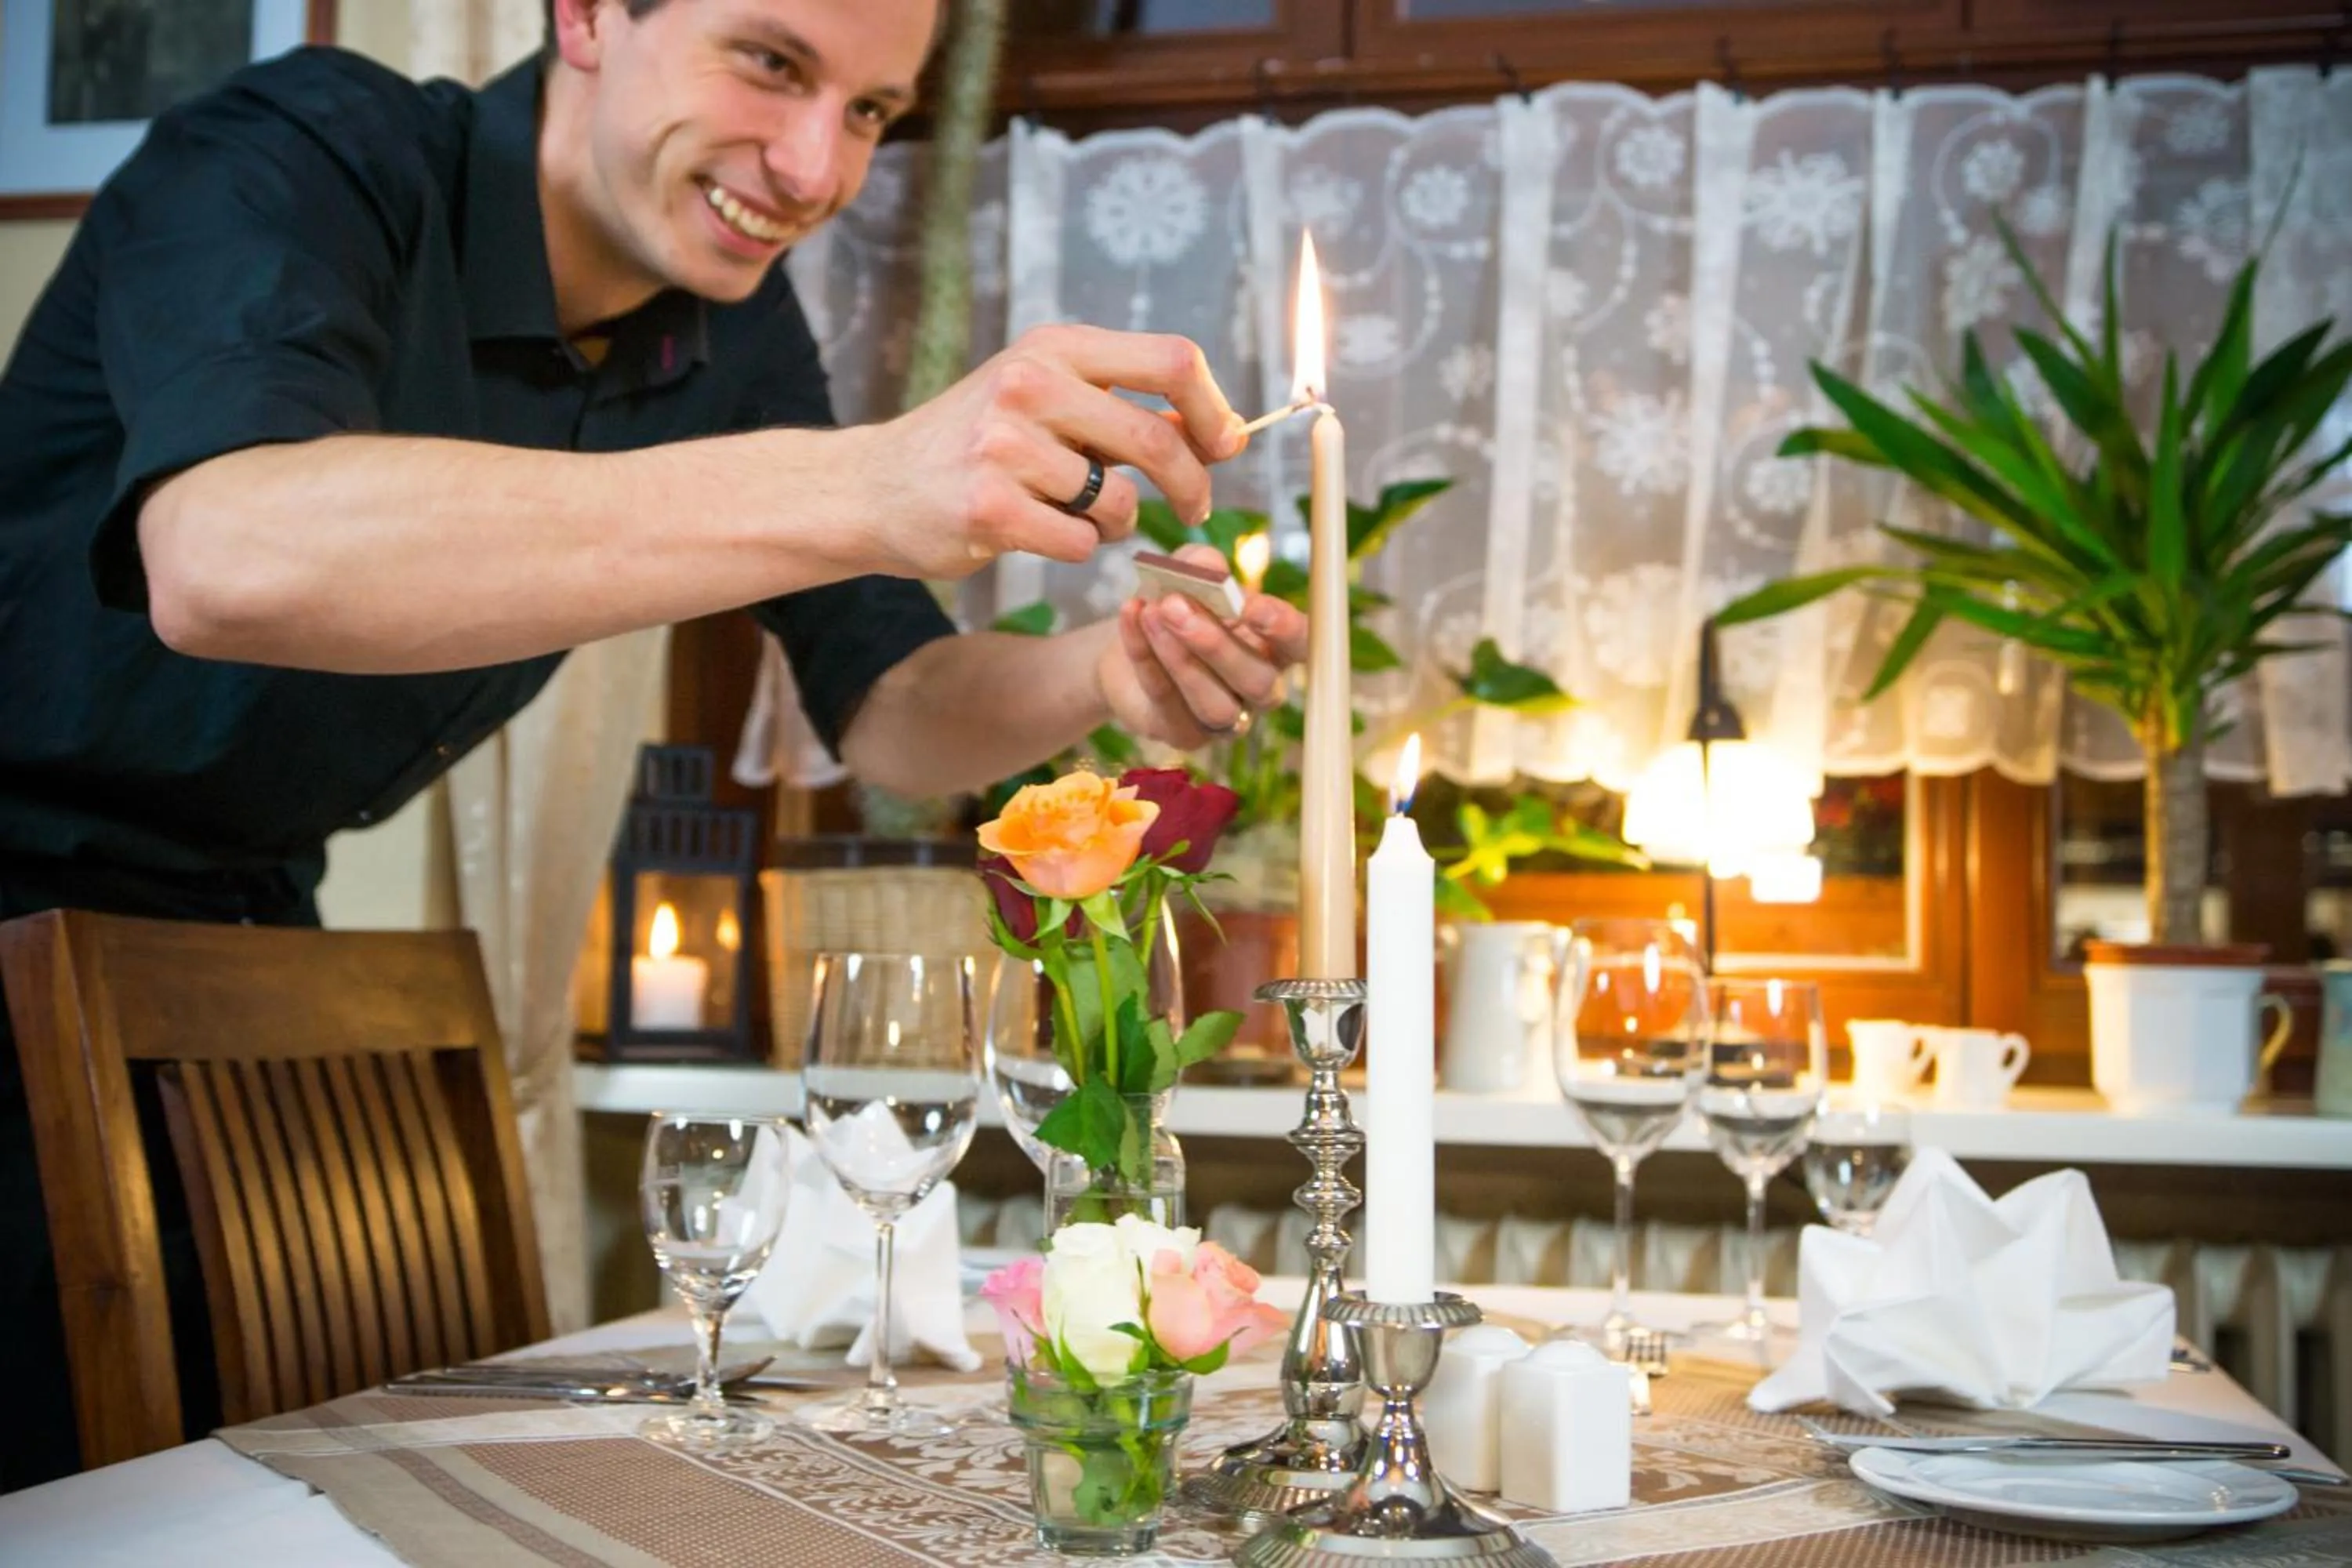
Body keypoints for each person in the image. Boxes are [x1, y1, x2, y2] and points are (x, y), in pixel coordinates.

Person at [0, 0, 1305, 1489]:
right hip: (17, 902)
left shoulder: (731, 326)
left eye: (872, 112)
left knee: (280, 1485)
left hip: (237, 937)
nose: (816, 168)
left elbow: (890, 706)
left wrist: (1101, 673)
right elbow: (228, 557)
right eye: (771, 62)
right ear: (587, 16)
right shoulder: (299, 154)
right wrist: (869, 478)